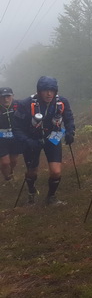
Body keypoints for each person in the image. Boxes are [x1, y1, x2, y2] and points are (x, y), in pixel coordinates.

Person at [13, 77, 75, 205]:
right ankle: (31, 192)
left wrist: (70, 132)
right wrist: (27, 141)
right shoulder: (26, 104)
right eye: (45, 90)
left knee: (56, 171)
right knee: (32, 171)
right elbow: (16, 127)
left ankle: (51, 197)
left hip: (53, 137)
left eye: (52, 90)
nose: (49, 94)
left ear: (56, 91)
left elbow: (68, 118)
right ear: (39, 91)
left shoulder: (61, 102)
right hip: (32, 139)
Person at [0, 87, 22, 183]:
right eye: (3, 97)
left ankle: (11, 172)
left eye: (8, 96)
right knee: (5, 162)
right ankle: (7, 177)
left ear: (12, 96)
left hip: (15, 136)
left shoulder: (18, 104)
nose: (6, 99)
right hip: (1, 138)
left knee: (14, 160)